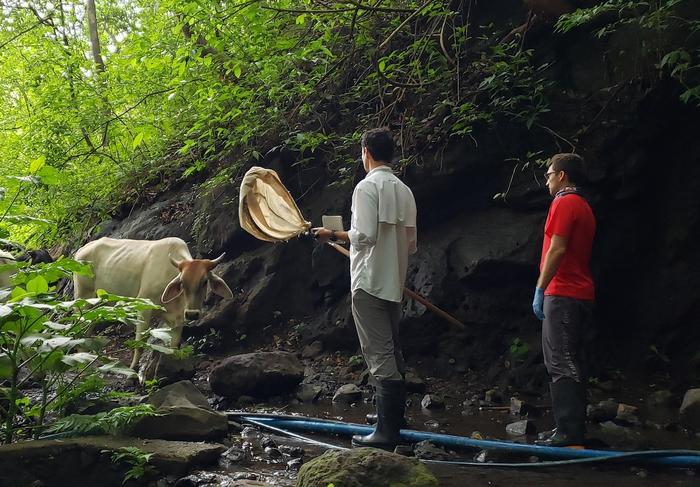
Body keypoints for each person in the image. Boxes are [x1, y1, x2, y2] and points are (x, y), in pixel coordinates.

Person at [312, 127, 417, 450]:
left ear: (366, 152)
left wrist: (334, 235)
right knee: (392, 347)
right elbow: (411, 243)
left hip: (369, 280)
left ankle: (386, 434)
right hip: (394, 279)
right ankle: (393, 419)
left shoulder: (366, 187)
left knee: (378, 352)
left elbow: (364, 236)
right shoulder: (404, 189)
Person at [532, 153, 596, 447]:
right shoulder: (582, 204)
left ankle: (570, 434)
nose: (546, 180)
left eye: (548, 174)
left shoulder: (564, 202)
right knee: (570, 359)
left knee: (561, 360)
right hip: (578, 292)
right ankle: (567, 431)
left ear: (562, 175)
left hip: (564, 291)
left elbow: (556, 249)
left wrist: (541, 288)